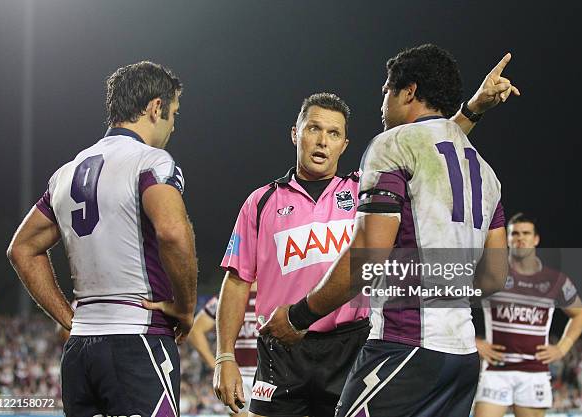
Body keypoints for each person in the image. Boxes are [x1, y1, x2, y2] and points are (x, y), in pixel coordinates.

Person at [216, 47, 519, 416]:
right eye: (314, 129)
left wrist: (297, 317)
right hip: (459, 355)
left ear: (408, 91)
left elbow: (366, 261)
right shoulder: (488, 176)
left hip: (394, 343)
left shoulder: (385, 152)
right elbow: (494, 277)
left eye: (387, 90)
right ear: (295, 133)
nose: (382, 100)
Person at [6, 61, 198, 417]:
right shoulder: (151, 161)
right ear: (156, 108)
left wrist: (69, 318)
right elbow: (173, 231)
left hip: (80, 352)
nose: (173, 125)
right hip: (137, 340)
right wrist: (185, 309)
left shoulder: (65, 174)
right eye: (173, 113)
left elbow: (22, 248)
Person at [473, 213, 582, 417]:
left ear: (536, 239)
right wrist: (475, 343)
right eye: (514, 234)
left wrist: (562, 348)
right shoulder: (491, 273)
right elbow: (453, 302)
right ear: (507, 239)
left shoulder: (555, 280)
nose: (520, 238)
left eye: (526, 233)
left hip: (534, 372)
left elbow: (580, 315)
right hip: (496, 371)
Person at [189, 284, 258, 416]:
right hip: (240, 377)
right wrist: (217, 366)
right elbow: (195, 331)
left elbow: (196, 331)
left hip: (251, 376)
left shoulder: (225, 297)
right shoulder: (225, 297)